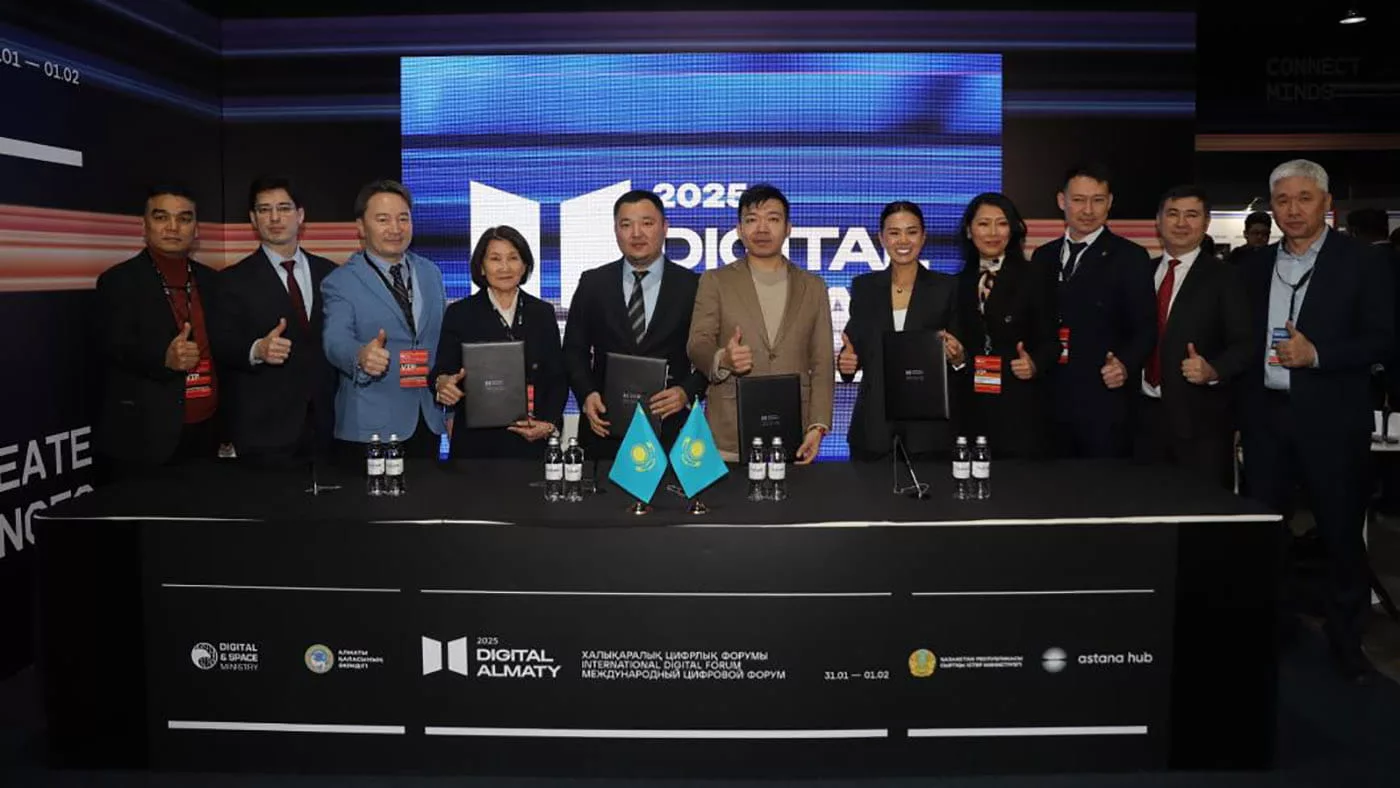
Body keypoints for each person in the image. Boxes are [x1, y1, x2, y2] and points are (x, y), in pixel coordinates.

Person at [1237, 159, 1393, 683]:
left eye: (1305, 198)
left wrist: (1318, 355)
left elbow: (1384, 339)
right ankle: (1273, 633)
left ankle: (1347, 643)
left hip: (1333, 420)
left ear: (1327, 204)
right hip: (1266, 419)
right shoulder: (1253, 265)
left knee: (1341, 535)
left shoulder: (1364, 263)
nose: (1293, 210)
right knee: (1266, 535)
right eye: (1283, 200)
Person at [687, 183, 834, 463]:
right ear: (740, 229)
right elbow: (698, 343)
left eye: (773, 219)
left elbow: (823, 362)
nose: (762, 229)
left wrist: (818, 425)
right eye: (752, 220)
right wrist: (723, 359)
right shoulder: (715, 281)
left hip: (794, 431)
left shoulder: (814, 287)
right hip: (729, 433)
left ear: (788, 228)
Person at [563, 190, 707, 458]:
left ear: (665, 227)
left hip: (670, 429)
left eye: (647, 223)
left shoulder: (695, 285)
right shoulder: (593, 283)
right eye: (626, 224)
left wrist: (686, 392)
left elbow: (710, 354)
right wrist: (586, 395)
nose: (636, 233)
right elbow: (574, 350)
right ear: (615, 230)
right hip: (605, 427)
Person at [1131, 185, 1252, 489]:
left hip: (1201, 424)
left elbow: (1245, 343)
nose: (1181, 223)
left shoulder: (1227, 277)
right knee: (1144, 506)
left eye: (1192, 215)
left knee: (1201, 511)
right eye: (1173, 214)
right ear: (1158, 221)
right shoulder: (1139, 273)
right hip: (1142, 419)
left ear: (1206, 222)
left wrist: (1214, 370)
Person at [209, 178, 337, 466]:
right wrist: (257, 349)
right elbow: (222, 343)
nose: (275, 218)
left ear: (300, 215)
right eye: (264, 210)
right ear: (253, 219)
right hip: (265, 429)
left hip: (325, 426)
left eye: (284, 208)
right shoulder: (231, 280)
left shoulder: (331, 274)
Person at [1031, 163, 1156, 458]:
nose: (1088, 210)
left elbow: (1146, 327)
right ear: (1061, 201)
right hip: (1049, 399)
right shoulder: (1042, 256)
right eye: (1078, 200)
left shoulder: (1131, 257)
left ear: (1109, 202)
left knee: (1102, 484)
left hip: (1104, 401)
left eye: (1097, 200)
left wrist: (1124, 364)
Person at [95, 186, 220, 477]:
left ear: (196, 229)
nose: (173, 227)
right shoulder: (118, 281)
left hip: (207, 430)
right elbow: (113, 346)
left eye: (184, 218)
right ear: (144, 225)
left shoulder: (213, 281)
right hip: (145, 437)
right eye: (162, 217)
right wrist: (163, 358)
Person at [321, 179, 447, 462]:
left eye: (403, 218)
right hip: (370, 429)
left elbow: (441, 342)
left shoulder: (431, 273)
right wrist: (360, 356)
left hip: (426, 422)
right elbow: (335, 340)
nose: (395, 228)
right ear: (361, 227)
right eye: (383, 219)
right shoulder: (341, 282)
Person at [838, 201, 963, 460]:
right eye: (894, 233)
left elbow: (962, 353)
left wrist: (958, 357)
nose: (903, 240)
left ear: (923, 236)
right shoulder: (864, 287)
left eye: (911, 232)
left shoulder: (947, 287)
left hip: (929, 432)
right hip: (873, 429)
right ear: (882, 238)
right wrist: (846, 363)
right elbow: (854, 346)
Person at [430, 227, 565, 459]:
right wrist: (442, 384)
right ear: (481, 267)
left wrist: (549, 423)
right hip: (475, 445)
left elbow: (557, 377)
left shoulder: (542, 312)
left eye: (513, 258)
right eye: (495, 259)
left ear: (524, 265)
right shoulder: (459, 313)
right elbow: (442, 370)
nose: (505, 267)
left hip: (531, 440)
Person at [948, 193, 1058, 459]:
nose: (993, 233)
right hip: (970, 408)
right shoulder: (956, 283)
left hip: (1020, 407)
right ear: (969, 230)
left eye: (1002, 223)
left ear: (1013, 229)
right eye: (983, 224)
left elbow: (1052, 343)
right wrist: (958, 359)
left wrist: (1034, 364)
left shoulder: (1034, 277)